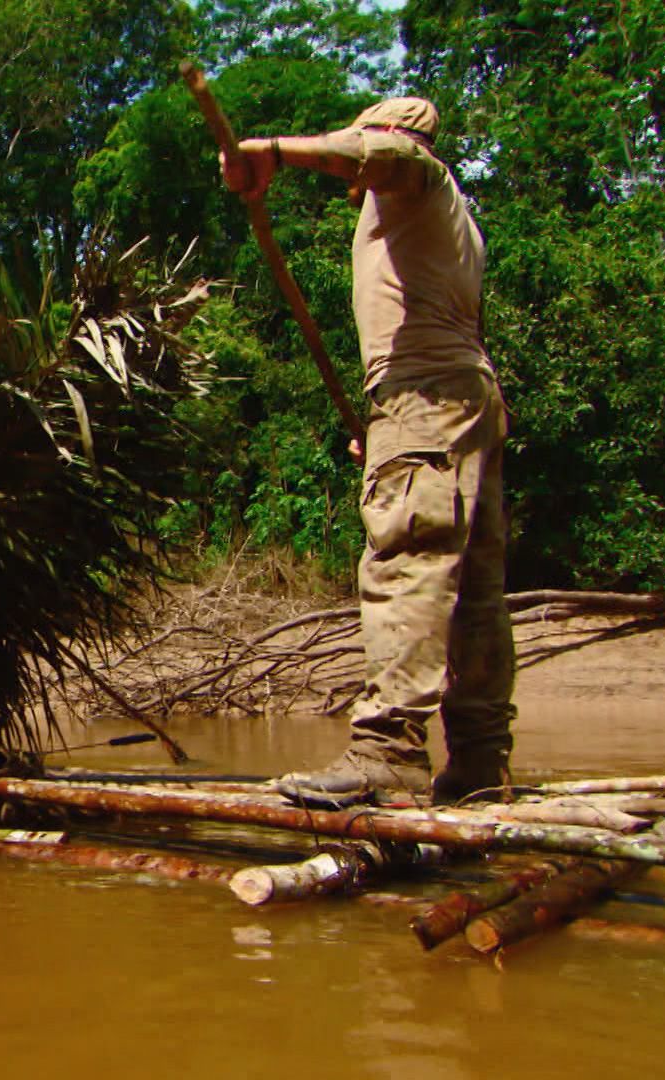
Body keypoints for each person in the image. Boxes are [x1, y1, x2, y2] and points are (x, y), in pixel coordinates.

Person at [220, 98, 515, 807]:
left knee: (406, 560)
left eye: (363, 141)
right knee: (472, 590)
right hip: (452, 402)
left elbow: (386, 154)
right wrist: (385, 426)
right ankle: (480, 763)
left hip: (427, 396)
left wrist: (271, 151)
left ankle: (389, 754)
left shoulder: (416, 177)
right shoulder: (435, 214)